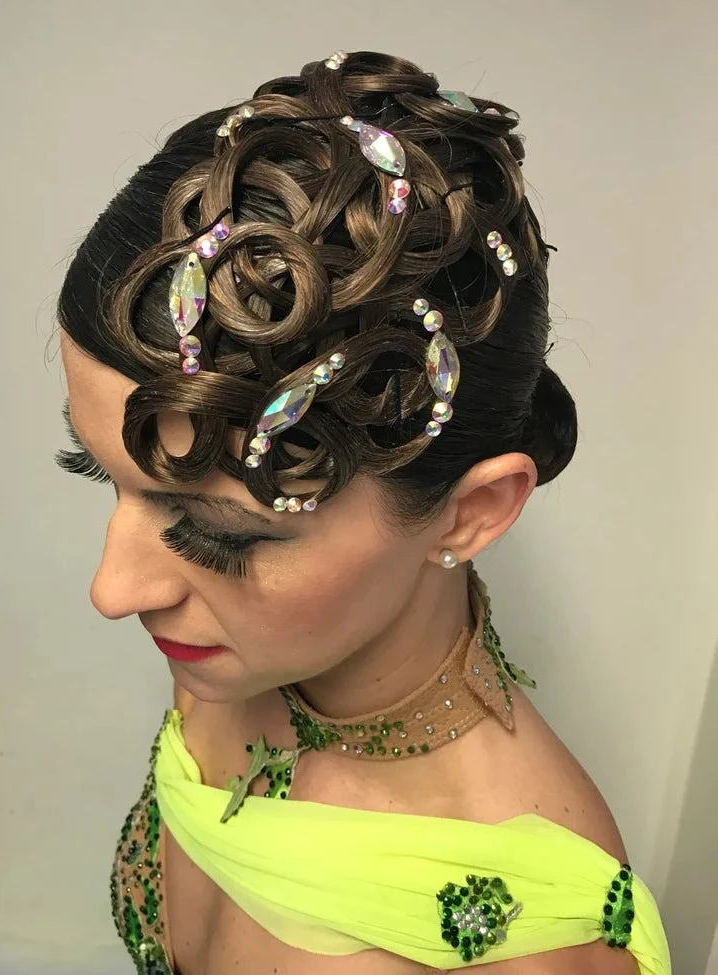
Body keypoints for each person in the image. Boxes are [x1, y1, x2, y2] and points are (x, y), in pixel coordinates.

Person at [55, 49, 671, 975]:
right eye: (98, 470)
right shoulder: (235, 653)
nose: (113, 588)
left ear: (472, 513)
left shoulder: (528, 950)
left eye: (219, 535)